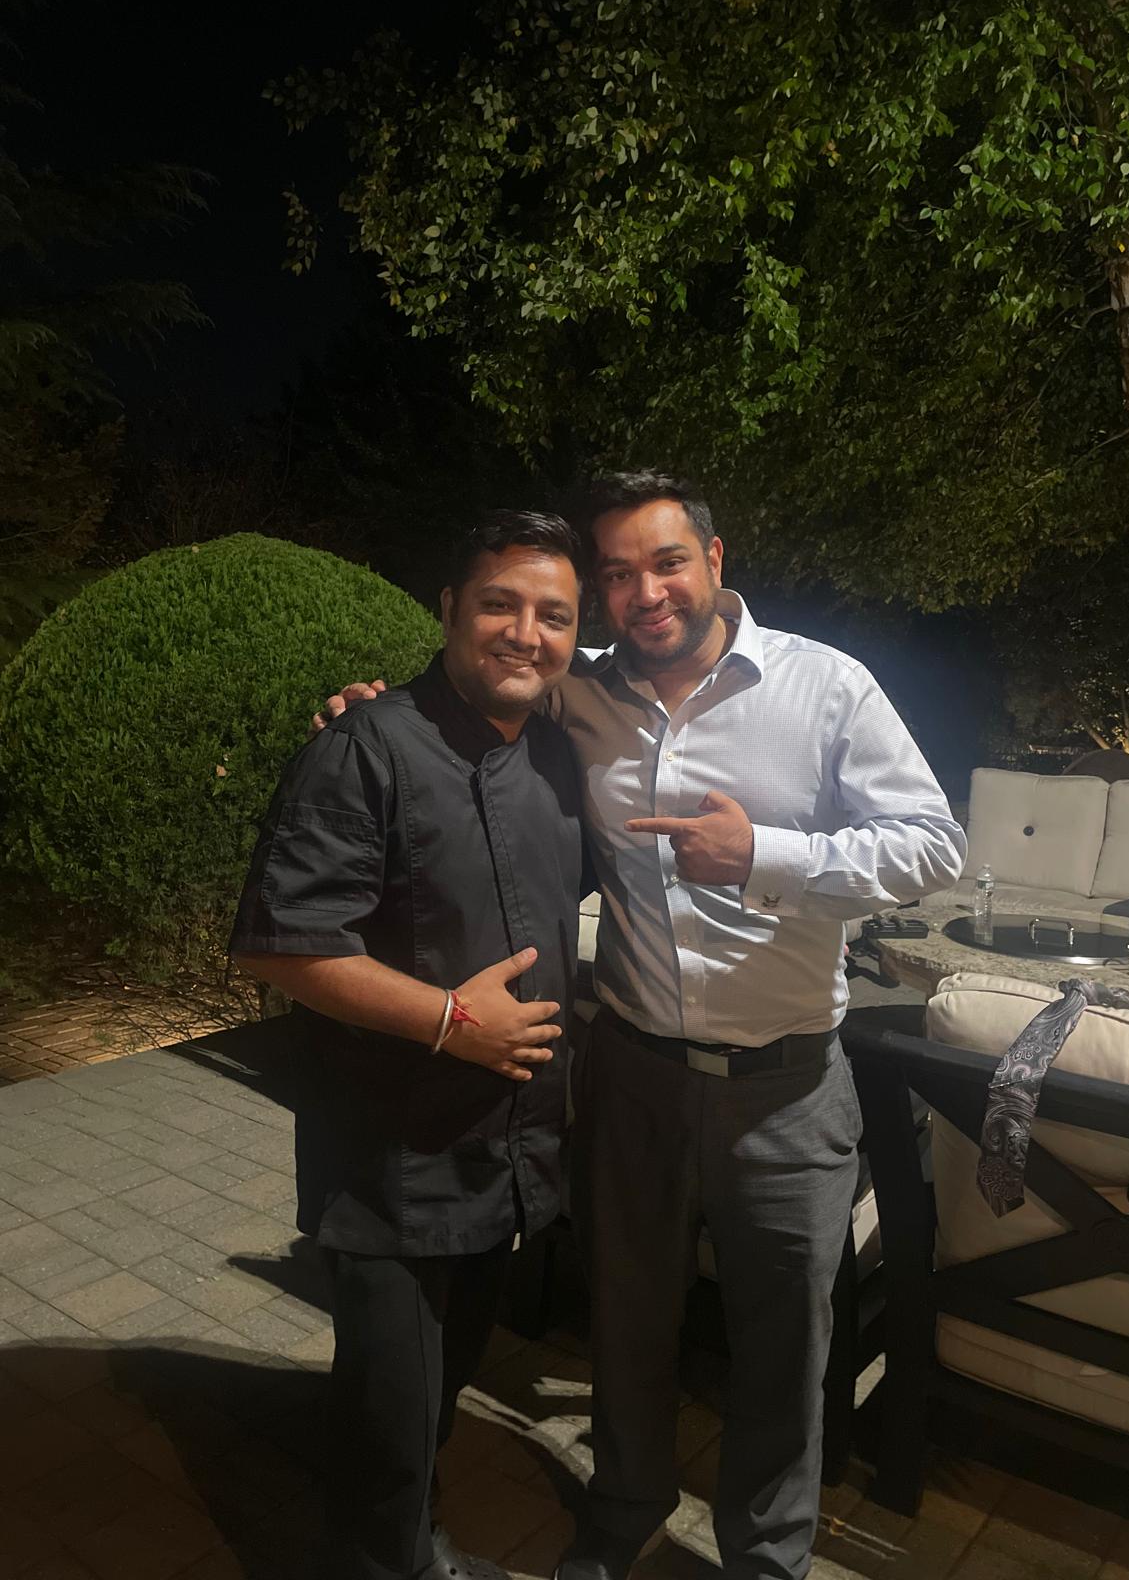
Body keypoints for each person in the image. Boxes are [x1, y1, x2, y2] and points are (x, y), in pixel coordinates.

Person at [323, 472, 966, 1580]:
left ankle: (766, 1555)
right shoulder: (580, 689)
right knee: (626, 1321)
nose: (645, 592)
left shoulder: (826, 686)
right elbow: (477, 693)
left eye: (666, 562)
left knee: (785, 1343)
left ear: (714, 561)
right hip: (631, 1073)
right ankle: (622, 1512)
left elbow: (933, 845)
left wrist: (765, 855)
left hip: (788, 1087)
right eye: (617, 574)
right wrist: (373, 714)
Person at [231, 510, 586, 1580]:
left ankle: (406, 1537)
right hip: (396, 1159)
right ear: (447, 610)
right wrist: (449, 1019)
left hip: (504, 1153)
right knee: (389, 1418)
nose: (526, 632)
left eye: (554, 615)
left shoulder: (556, 758)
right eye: (499, 604)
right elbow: (282, 945)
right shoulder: (365, 747)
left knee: (434, 1396)